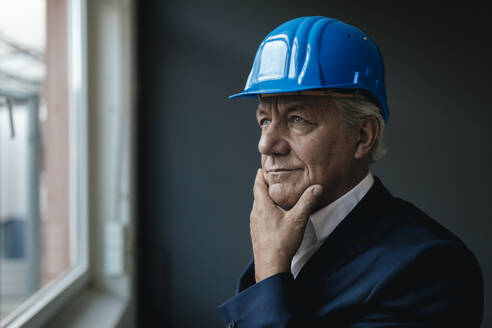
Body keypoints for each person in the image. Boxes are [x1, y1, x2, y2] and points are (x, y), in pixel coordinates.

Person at [217, 16, 483, 328]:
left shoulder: (432, 268)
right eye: (264, 120)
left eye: (297, 119)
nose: (267, 144)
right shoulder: (280, 241)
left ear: (362, 136)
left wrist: (270, 276)